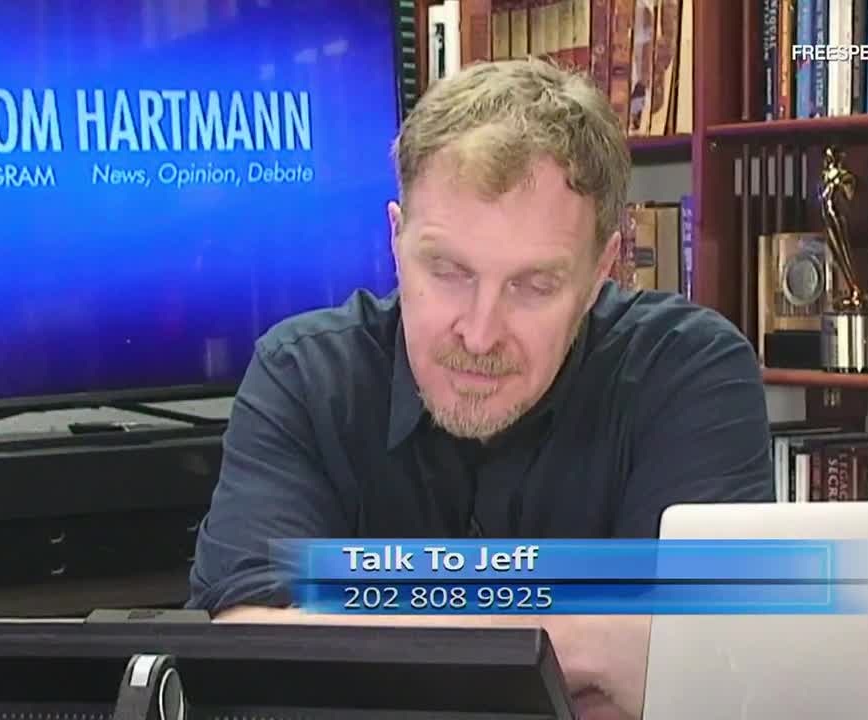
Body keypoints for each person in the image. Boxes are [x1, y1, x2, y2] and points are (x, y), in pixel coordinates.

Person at [186, 58, 774, 719]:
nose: (479, 333)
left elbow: (705, 674)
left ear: (601, 272)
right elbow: (249, 651)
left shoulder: (689, 371)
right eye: (448, 271)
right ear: (395, 239)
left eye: (534, 285)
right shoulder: (304, 376)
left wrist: (359, 647)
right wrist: (585, 642)